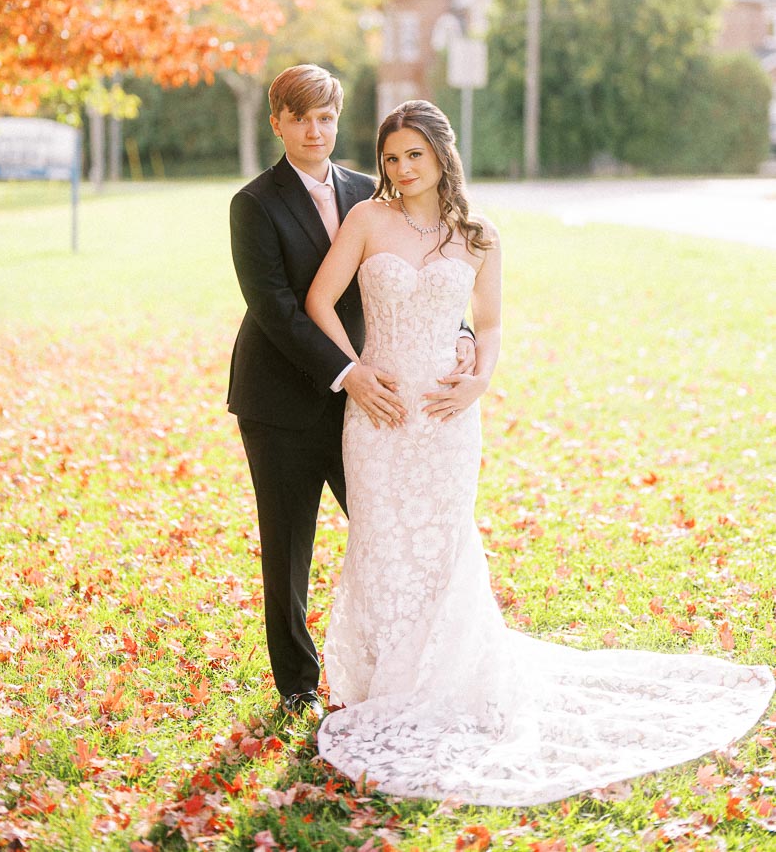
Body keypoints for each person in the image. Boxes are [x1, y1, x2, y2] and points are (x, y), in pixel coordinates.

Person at [305, 99, 774, 804]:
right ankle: (380, 681)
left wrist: (480, 381)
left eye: (414, 156)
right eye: (392, 157)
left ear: (440, 155)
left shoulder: (479, 235)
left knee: (442, 543)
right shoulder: (367, 221)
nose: (402, 170)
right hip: (377, 415)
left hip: (448, 415)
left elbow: (489, 326)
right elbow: (319, 300)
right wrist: (358, 373)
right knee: (379, 541)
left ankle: (443, 677)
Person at [228, 66, 476, 718]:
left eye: (327, 117)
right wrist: (348, 370)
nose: (316, 130)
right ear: (278, 120)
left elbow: (432, 268)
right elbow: (278, 307)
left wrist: (464, 336)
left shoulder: (371, 193)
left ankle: (410, 662)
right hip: (281, 400)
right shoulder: (253, 204)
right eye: (302, 117)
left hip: (372, 408)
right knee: (288, 545)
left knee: (387, 533)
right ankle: (299, 685)